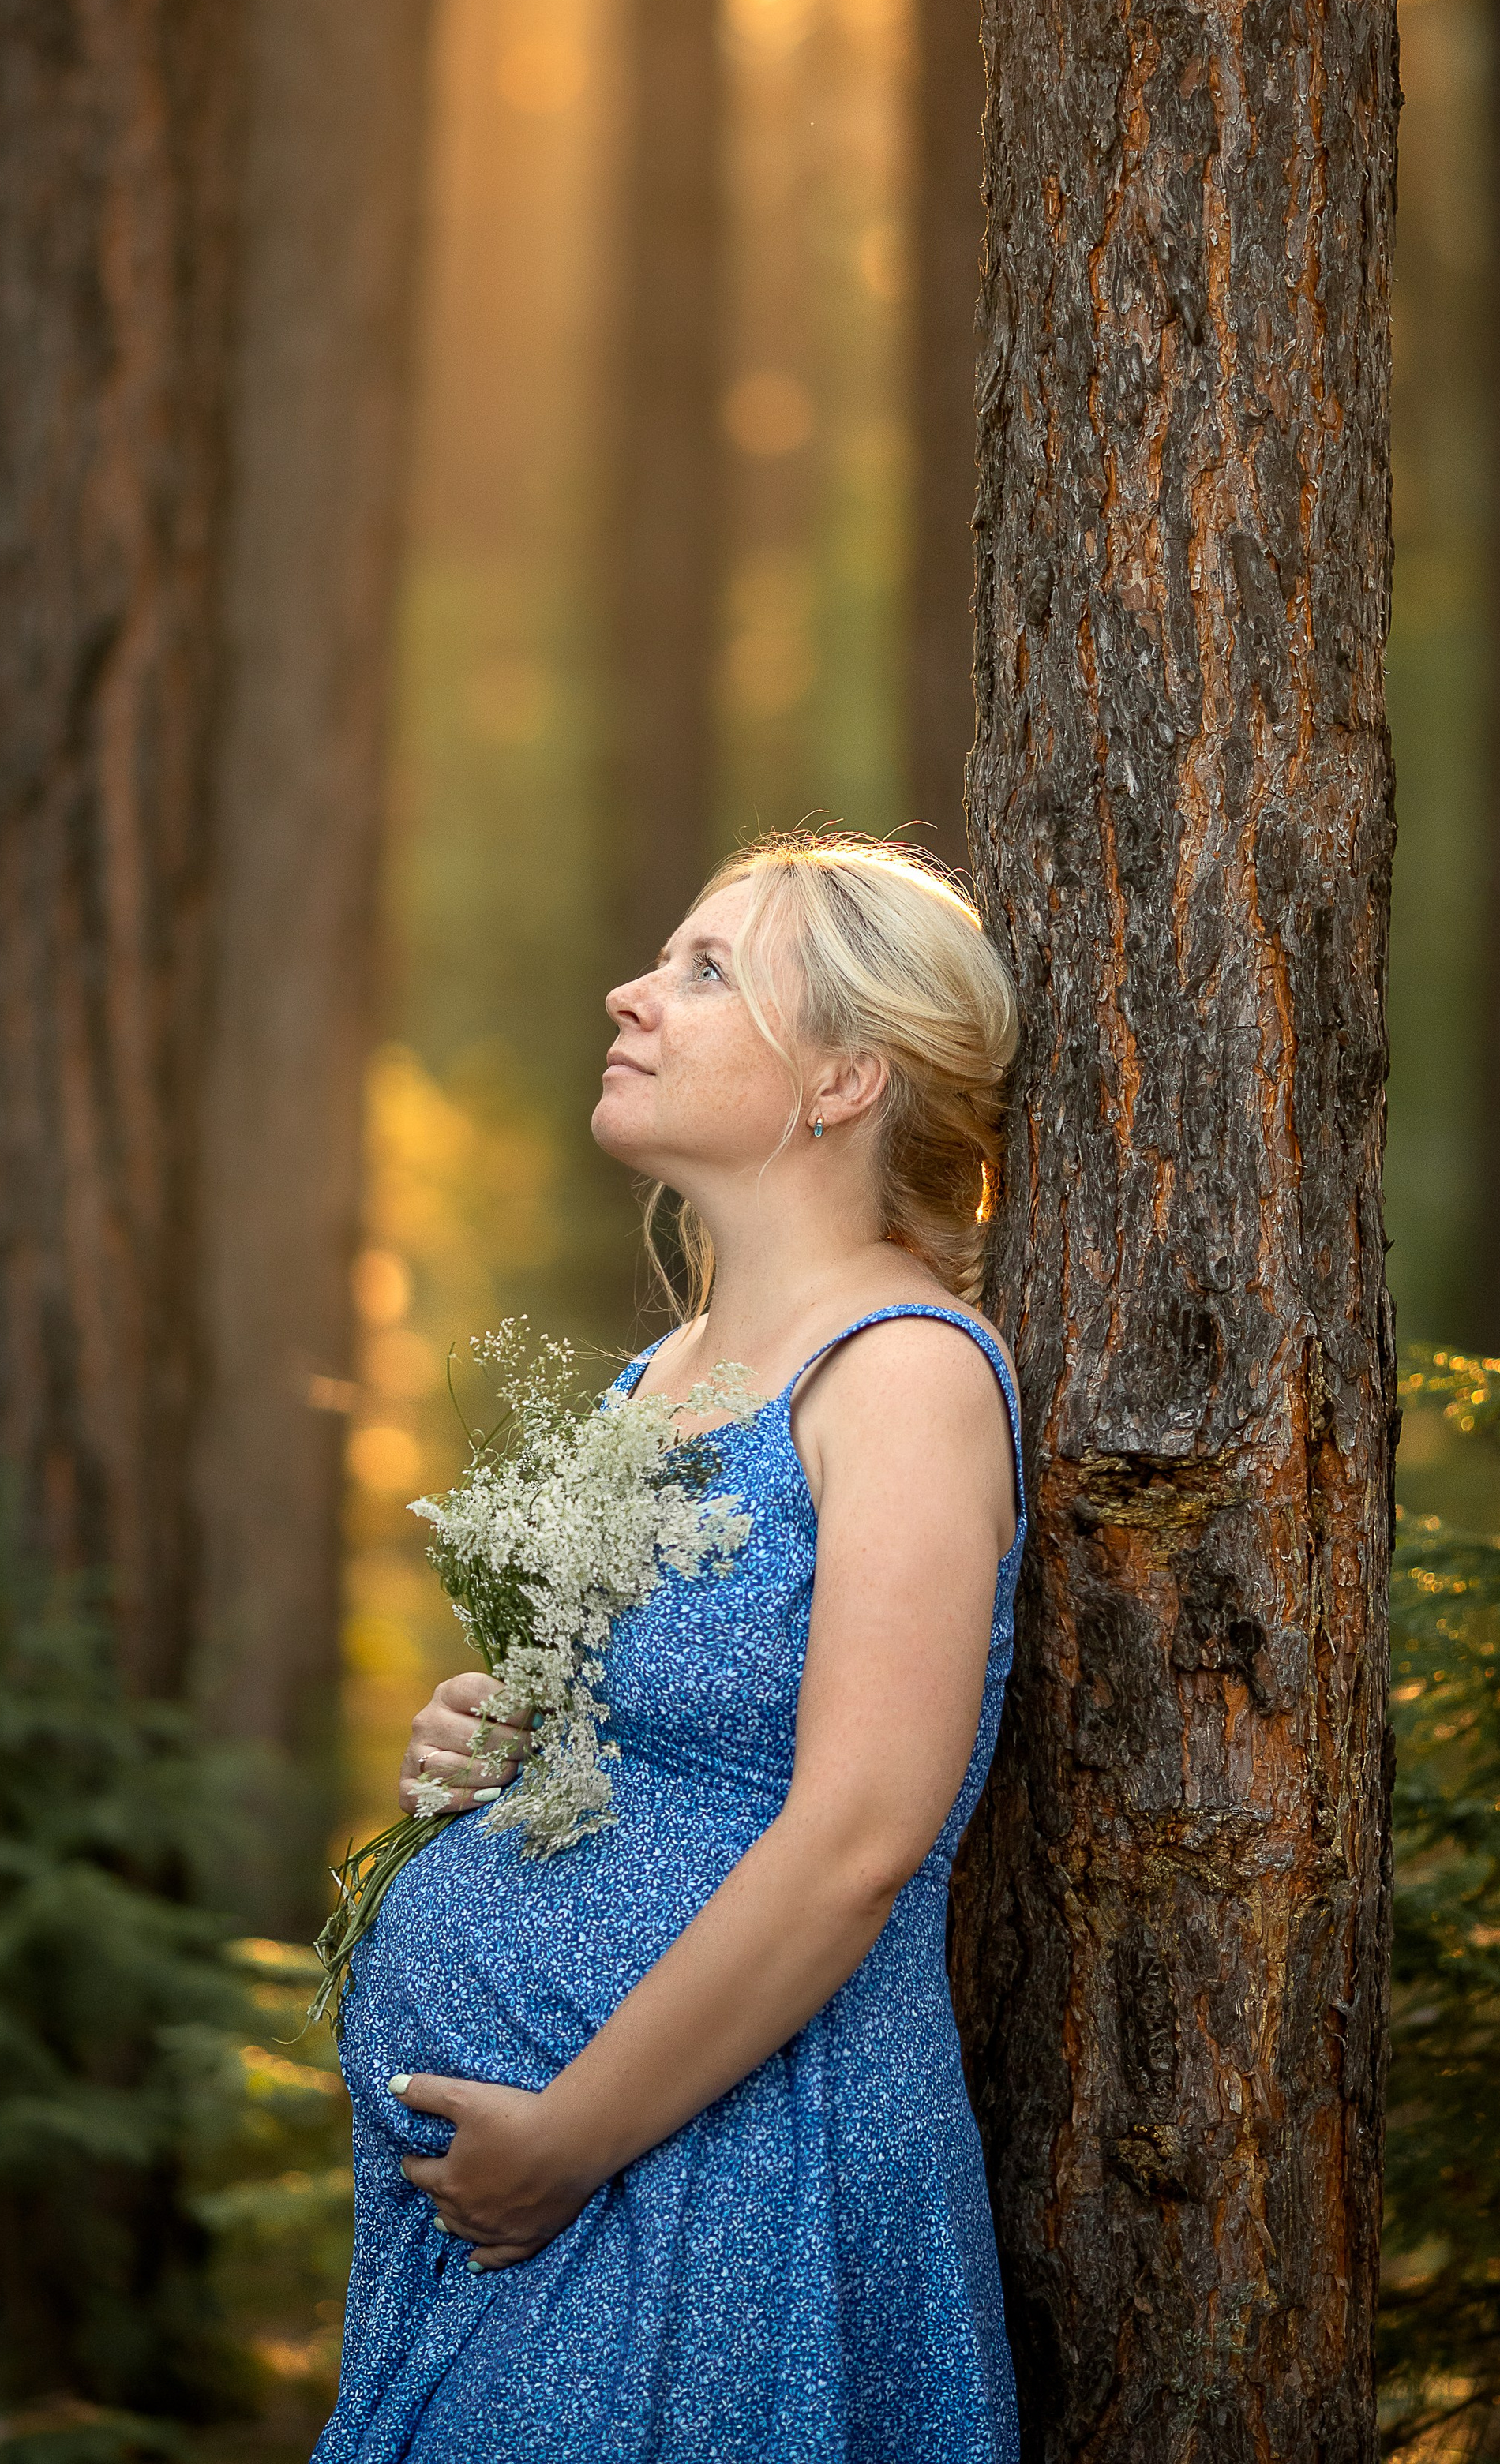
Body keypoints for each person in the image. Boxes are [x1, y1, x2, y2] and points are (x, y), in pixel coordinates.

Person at [312, 832, 1026, 2463]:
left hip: (724, 2168)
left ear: (843, 1076)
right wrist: (488, 1736)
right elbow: (655, 1732)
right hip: (526, 2213)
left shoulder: (902, 1372)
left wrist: (567, 2137)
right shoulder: (666, 1372)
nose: (631, 994)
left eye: (707, 970)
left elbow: (858, 1834)